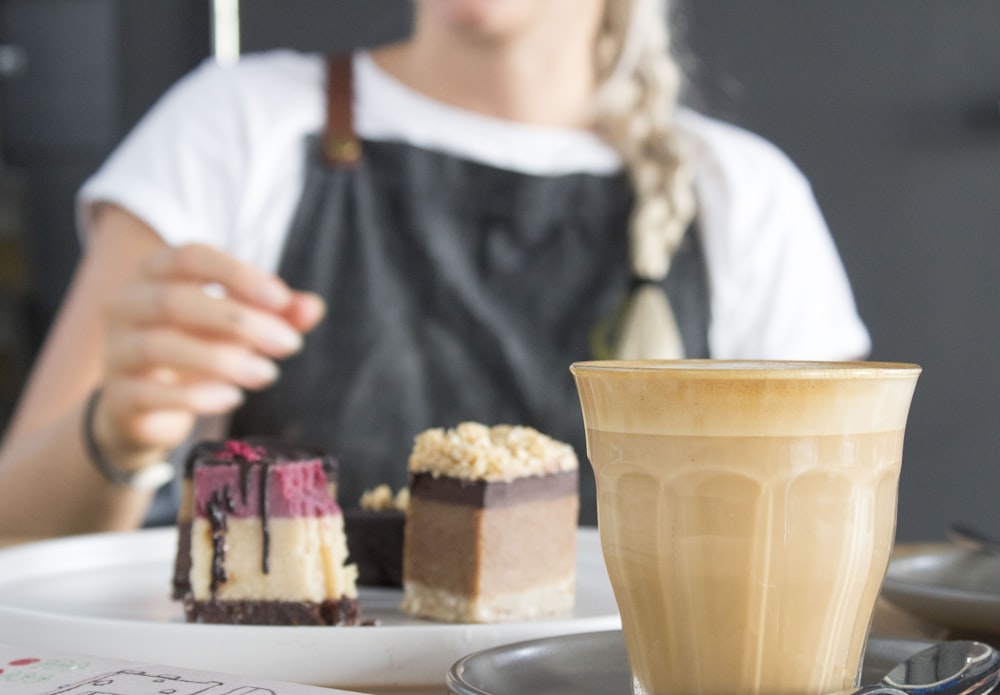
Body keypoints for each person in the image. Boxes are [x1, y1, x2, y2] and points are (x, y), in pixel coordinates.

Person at [0, 0, 870, 536]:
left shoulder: (742, 193)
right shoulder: (235, 123)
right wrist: (119, 429)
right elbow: (16, 538)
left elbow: (829, 542)